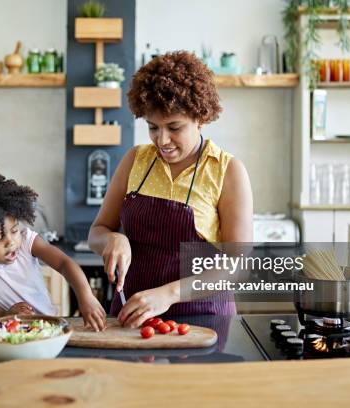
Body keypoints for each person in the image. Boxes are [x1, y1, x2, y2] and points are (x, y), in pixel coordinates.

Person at [88, 51, 253, 328]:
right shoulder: (135, 160)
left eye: (174, 127)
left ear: (200, 117)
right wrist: (112, 240)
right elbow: (97, 232)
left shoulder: (226, 170)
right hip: (133, 314)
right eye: (153, 128)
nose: (162, 140)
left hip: (203, 320)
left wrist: (169, 294)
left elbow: (237, 267)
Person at [0, 167, 106, 331]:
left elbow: (64, 263)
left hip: (47, 327)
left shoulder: (27, 241)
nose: (10, 242)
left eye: (14, 230)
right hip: (6, 332)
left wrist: (86, 297)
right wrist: (5, 314)